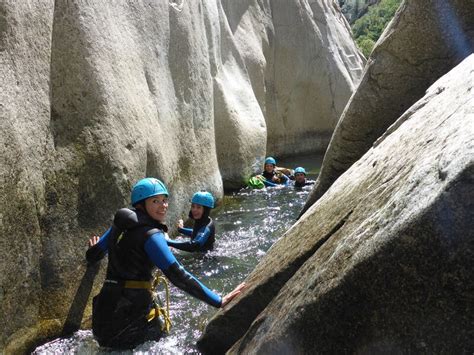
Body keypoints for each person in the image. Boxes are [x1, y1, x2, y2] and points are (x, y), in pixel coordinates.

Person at [86, 178, 245, 349]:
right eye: (155, 201)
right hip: (131, 318)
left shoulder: (120, 224)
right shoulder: (152, 236)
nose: (163, 206)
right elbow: (178, 276)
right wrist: (218, 301)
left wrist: (93, 249)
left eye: (164, 200)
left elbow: (93, 255)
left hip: (103, 312)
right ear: (141, 204)